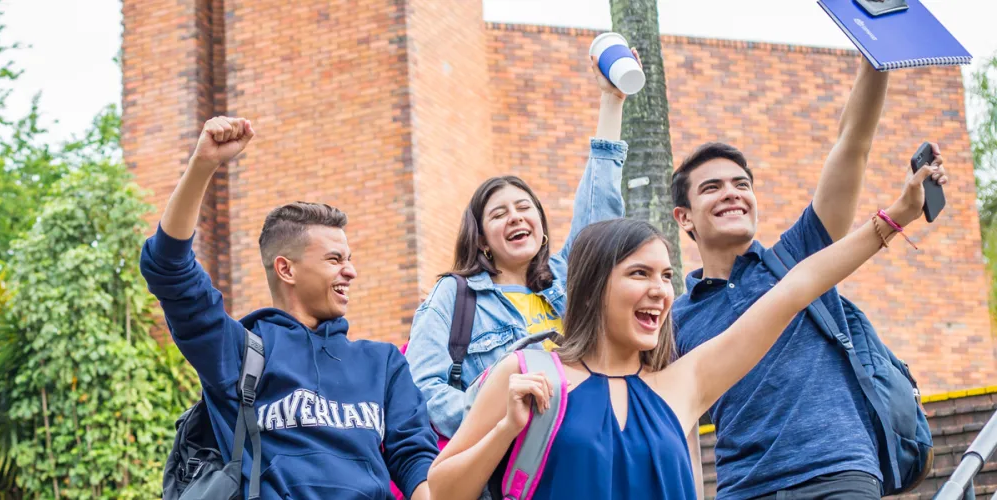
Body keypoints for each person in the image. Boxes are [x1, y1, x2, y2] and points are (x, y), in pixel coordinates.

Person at [425, 157, 947, 500]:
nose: (660, 290)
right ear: (592, 287)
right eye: (639, 274)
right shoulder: (528, 373)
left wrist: (895, 217)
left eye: (667, 276)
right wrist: (506, 429)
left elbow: (796, 287)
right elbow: (442, 489)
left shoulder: (683, 383)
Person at [670, 60, 947, 499]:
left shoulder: (798, 253)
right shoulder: (675, 318)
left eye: (742, 184)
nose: (732, 193)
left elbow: (852, 144)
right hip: (743, 489)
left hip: (839, 473)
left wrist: (877, 53)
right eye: (712, 187)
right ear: (683, 218)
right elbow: (677, 423)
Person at [140, 117, 437, 499]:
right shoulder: (238, 353)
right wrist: (202, 166)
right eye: (334, 259)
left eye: (349, 258)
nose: (351, 270)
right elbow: (168, 269)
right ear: (286, 269)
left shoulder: (383, 365)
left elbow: (415, 460)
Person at [404, 51, 633, 438]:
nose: (515, 217)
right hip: (516, 469)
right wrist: (501, 408)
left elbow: (599, 212)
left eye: (524, 207)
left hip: (596, 444)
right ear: (481, 240)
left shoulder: (565, 278)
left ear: (542, 228)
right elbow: (423, 396)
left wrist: (611, 101)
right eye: (498, 214)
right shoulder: (453, 297)